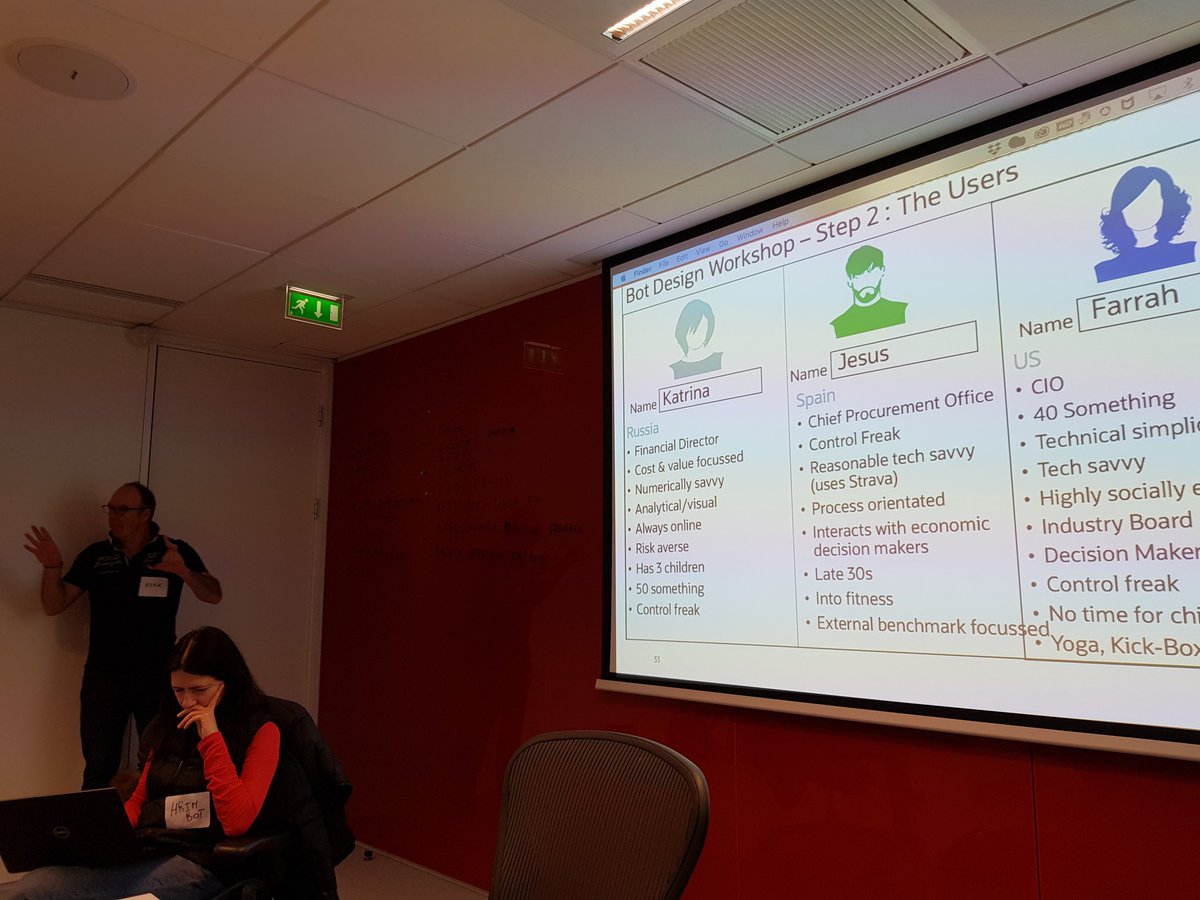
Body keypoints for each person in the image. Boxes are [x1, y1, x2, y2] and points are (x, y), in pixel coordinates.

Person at [12, 627, 280, 900]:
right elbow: (141, 798)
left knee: (39, 892)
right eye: (178, 690)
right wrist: (104, 839)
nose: (187, 701)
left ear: (228, 683)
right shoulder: (166, 725)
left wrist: (211, 738)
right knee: (39, 881)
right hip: (153, 846)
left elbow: (237, 822)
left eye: (199, 690)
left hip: (206, 862)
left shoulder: (261, 731)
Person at [23, 482, 222, 790]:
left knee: (160, 762)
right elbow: (55, 604)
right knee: (99, 766)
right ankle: (96, 823)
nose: (113, 516)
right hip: (104, 675)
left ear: (146, 514)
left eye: (122, 510)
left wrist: (183, 571)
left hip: (158, 676)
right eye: (111, 509)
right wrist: (52, 567)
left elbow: (213, 595)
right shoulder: (96, 555)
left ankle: (152, 822)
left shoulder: (173, 550)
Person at [1094, 165, 1195, 282]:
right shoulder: (1105, 270)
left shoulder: (1188, 252)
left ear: (1165, 203)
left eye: (1150, 200)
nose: (1141, 209)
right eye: (1132, 203)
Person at [830, 244, 908, 338]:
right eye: (858, 275)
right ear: (849, 281)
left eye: (871, 272)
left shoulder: (901, 311)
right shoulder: (838, 325)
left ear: (882, 271)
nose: (865, 280)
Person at [669, 298, 723, 379]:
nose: (697, 336)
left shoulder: (718, 359)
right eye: (693, 330)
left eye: (702, 330)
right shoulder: (676, 368)